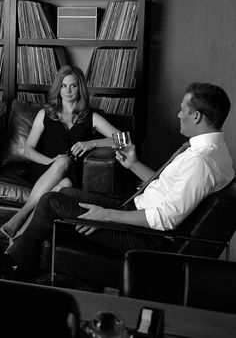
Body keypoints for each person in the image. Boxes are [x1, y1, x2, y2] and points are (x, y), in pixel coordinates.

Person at [0, 82, 235, 280]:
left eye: (183, 109)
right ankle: (22, 259)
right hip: (137, 212)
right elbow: (165, 187)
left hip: (147, 237)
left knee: (52, 201)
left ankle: (15, 267)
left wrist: (105, 215)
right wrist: (133, 164)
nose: (178, 114)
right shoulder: (212, 151)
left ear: (196, 116)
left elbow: (166, 218)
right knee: (64, 195)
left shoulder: (201, 161)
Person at [0, 65, 118, 243]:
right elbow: (28, 149)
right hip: (43, 171)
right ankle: (21, 225)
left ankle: (19, 230)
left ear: (80, 88)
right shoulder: (45, 114)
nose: (68, 91)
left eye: (73, 85)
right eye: (64, 86)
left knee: (66, 181)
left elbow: (122, 139)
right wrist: (51, 162)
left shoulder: (90, 116)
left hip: (72, 174)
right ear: (58, 88)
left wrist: (92, 142)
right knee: (62, 164)